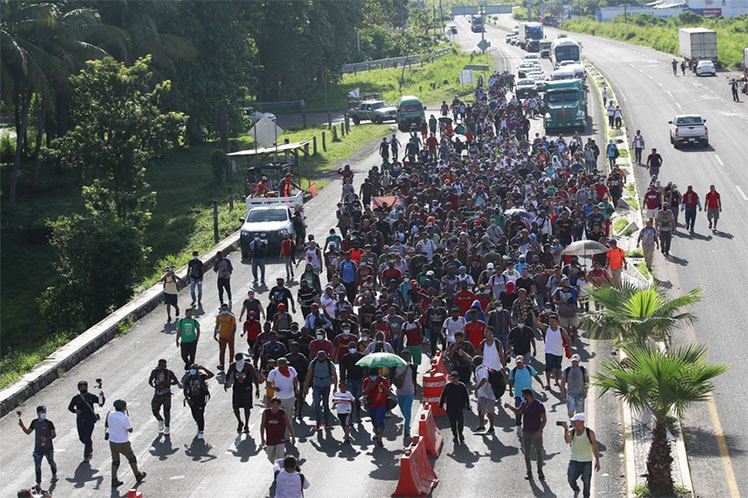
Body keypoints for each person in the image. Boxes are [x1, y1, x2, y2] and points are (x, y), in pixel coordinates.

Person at [505, 388, 547, 481]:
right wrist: (509, 407)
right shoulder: (524, 404)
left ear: (527, 395)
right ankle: (529, 472)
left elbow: (544, 419)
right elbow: (518, 411)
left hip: (536, 432)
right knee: (527, 453)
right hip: (526, 431)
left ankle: (540, 471)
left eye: (523, 395)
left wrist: (540, 430)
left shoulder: (539, 405)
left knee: (539, 452)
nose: (522, 396)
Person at [104, 399, 146, 487]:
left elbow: (107, 425)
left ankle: (114, 479)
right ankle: (138, 475)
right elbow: (130, 430)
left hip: (112, 442)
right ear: (124, 407)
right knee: (132, 459)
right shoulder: (124, 417)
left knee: (115, 461)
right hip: (123, 442)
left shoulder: (110, 414)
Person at [19, 406, 58, 492]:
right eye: (42, 412)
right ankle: (38, 484)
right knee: (37, 466)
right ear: (38, 413)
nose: (43, 414)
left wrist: (47, 439)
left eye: (44, 412)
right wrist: (22, 426)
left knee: (51, 462)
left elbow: (54, 434)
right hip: (38, 449)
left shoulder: (49, 423)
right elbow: (28, 432)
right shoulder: (34, 422)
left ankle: (54, 474)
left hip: (48, 448)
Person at [561, 414, 601, 498]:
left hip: (586, 462)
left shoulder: (589, 433)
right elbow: (567, 441)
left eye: (575, 421)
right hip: (574, 461)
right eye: (573, 421)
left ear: (581, 422)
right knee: (571, 479)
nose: (573, 422)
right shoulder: (572, 431)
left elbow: (594, 447)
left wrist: (597, 461)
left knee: (587, 483)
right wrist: (565, 429)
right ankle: (576, 489)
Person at [68, 380, 105, 461]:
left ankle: (86, 456)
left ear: (87, 387)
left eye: (85, 387)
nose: (83, 389)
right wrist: (75, 411)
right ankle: (89, 445)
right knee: (82, 437)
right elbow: (70, 407)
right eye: (81, 388)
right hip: (80, 420)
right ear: (79, 389)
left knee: (87, 437)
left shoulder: (91, 397)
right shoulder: (76, 398)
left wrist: (102, 397)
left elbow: (100, 403)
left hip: (90, 420)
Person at [225, 353, 260, 433]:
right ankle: (239, 421)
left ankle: (246, 424)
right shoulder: (233, 365)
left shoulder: (248, 366)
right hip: (237, 389)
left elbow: (254, 377)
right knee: (235, 407)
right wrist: (226, 382)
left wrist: (257, 388)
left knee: (247, 408)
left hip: (247, 389)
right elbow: (228, 374)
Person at [508, 356, 544, 429]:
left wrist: (541, 383)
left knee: (532, 411)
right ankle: (518, 425)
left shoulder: (528, 368)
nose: (519, 364)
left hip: (529, 395)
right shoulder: (513, 371)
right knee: (518, 411)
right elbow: (510, 380)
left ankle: (533, 426)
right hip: (519, 395)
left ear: (523, 362)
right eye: (517, 363)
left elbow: (536, 376)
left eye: (520, 363)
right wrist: (511, 391)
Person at [537, 313, 572, 390]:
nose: (551, 323)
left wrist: (569, 347)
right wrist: (533, 314)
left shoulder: (561, 330)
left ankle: (556, 381)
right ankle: (548, 383)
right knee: (548, 367)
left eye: (553, 321)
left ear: (557, 322)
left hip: (559, 352)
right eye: (550, 321)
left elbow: (567, 338)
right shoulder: (546, 328)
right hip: (549, 351)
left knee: (558, 367)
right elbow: (536, 323)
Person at [304, 350, 337, 430]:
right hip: (316, 385)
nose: (321, 359)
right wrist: (306, 386)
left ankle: (326, 422)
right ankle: (318, 422)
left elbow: (335, 375)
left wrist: (335, 387)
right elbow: (309, 375)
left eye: (322, 358)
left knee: (326, 404)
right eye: (319, 358)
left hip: (326, 385)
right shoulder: (313, 363)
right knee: (317, 404)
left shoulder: (329, 363)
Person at [438, 371, 471, 444]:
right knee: (452, 423)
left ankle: (460, 434)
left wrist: (467, 406)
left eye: (455, 378)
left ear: (458, 378)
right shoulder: (448, 386)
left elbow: (466, 397)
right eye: (452, 378)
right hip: (450, 408)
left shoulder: (462, 386)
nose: (454, 380)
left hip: (459, 408)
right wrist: (441, 405)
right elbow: (443, 395)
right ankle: (455, 436)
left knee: (460, 422)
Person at [148, 360, 179, 435]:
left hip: (166, 394)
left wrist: (169, 383)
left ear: (165, 366)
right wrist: (155, 386)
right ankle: (160, 420)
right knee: (154, 409)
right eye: (160, 365)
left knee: (167, 412)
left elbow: (176, 381)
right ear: (158, 365)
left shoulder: (169, 373)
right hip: (157, 394)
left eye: (163, 365)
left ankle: (167, 427)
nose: (161, 367)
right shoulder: (154, 372)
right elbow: (150, 381)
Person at [261, 397, 296, 463]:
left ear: (279, 405)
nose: (275, 406)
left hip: (280, 439)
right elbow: (262, 426)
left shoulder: (283, 413)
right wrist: (262, 438)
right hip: (270, 439)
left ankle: (279, 470)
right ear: (271, 404)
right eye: (273, 404)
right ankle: (276, 467)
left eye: (277, 404)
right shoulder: (266, 412)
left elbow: (288, 424)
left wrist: (293, 437)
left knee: (280, 459)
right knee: (270, 457)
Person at [184, 364, 214, 439]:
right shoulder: (188, 379)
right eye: (191, 369)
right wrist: (188, 399)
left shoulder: (201, 377)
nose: (192, 371)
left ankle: (201, 430)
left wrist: (203, 368)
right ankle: (198, 423)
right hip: (192, 399)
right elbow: (185, 390)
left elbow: (211, 375)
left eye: (194, 369)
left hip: (201, 398)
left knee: (200, 414)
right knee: (194, 414)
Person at [392, 350, 418, 438]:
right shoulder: (395, 367)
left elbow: (414, 379)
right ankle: (407, 422)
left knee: (408, 410)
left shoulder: (411, 367)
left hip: (409, 391)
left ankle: (406, 429)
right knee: (403, 409)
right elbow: (392, 378)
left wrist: (415, 388)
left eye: (407, 356)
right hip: (400, 392)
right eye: (403, 356)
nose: (405, 358)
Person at [560, 354, 589, 419]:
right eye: (573, 361)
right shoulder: (567, 370)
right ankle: (572, 423)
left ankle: (576, 423)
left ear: (579, 361)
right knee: (570, 410)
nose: (574, 363)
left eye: (576, 361)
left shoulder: (583, 370)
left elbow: (587, 381)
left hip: (580, 393)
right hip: (570, 393)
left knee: (578, 411)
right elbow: (563, 381)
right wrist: (562, 392)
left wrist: (586, 391)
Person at [472, 356, 496, 435]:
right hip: (483, 394)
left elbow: (484, 379)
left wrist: (477, 389)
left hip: (488, 395)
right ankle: (482, 426)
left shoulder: (481, 370)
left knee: (489, 412)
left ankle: (491, 428)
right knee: (480, 410)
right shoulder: (482, 368)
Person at [214, 302, 237, 371]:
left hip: (230, 336)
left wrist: (231, 335)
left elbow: (234, 326)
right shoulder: (218, 317)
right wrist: (215, 334)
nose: (224, 310)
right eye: (223, 309)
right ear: (221, 309)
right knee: (222, 351)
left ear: (228, 308)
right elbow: (217, 325)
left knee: (231, 350)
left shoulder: (231, 317)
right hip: (222, 336)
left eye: (226, 309)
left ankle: (231, 363)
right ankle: (222, 365)